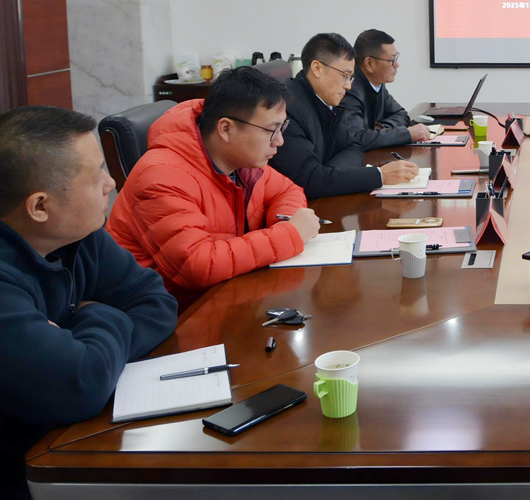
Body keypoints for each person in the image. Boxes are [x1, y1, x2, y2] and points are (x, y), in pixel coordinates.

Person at [0, 107, 177, 500]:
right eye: (96, 174)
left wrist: (87, 321)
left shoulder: (78, 233)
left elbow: (156, 303)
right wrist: (100, 331)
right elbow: (78, 385)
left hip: (68, 438)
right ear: (40, 206)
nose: (111, 183)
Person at [107, 67, 321, 308]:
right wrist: (288, 235)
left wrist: (286, 222)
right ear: (226, 129)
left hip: (224, 294)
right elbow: (197, 265)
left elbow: (287, 190)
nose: (279, 141)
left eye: (282, 128)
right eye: (271, 130)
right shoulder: (161, 177)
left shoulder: (241, 161)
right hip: (169, 313)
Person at [270, 33, 419, 199]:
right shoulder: (287, 109)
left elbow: (353, 146)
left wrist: (329, 174)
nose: (348, 86)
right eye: (345, 76)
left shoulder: (324, 101)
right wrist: (379, 176)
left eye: (351, 77)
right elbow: (310, 180)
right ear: (317, 68)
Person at [340, 29, 432, 150]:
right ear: (369, 63)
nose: (397, 65)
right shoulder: (349, 90)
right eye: (391, 60)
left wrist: (381, 129)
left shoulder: (377, 84)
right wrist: (406, 134)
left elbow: (401, 114)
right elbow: (356, 138)